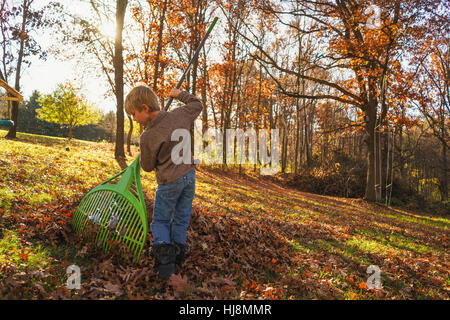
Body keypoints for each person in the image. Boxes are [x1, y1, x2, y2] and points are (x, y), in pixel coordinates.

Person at [124, 83, 202, 279]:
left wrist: (146, 152)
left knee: (160, 220)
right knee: (181, 218)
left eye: (133, 114)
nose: (133, 119)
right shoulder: (179, 115)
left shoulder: (147, 136)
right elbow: (197, 104)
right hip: (189, 178)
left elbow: (148, 166)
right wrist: (179, 94)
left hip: (169, 182)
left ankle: (166, 263)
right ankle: (178, 254)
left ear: (145, 108)